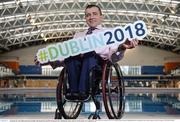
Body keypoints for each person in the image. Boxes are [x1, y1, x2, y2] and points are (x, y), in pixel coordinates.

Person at [64, 4, 139, 100]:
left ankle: (83, 91)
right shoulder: (78, 35)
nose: (91, 17)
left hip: (97, 65)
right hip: (79, 63)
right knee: (70, 58)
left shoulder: (110, 33)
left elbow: (114, 54)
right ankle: (73, 92)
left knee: (89, 54)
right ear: (85, 18)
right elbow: (63, 54)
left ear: (101, 17)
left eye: (94, 14)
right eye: (88, 15)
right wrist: (45, 59)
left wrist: (122, 47)